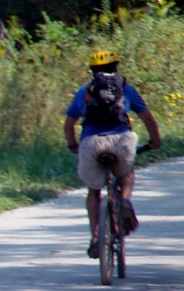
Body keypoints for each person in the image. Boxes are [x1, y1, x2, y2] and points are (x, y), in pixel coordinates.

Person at [63, 50, 161, 258]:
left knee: (93, 191)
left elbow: (69, 124)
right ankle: (124, 200)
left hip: (91, 143)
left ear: (93, 71)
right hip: (121, 141)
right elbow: (148, 118)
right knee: (126, 174)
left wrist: (73, 146)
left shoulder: (85, 91)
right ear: (116, 68)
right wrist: (155, 141)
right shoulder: (126, 90)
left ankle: (96, 238)